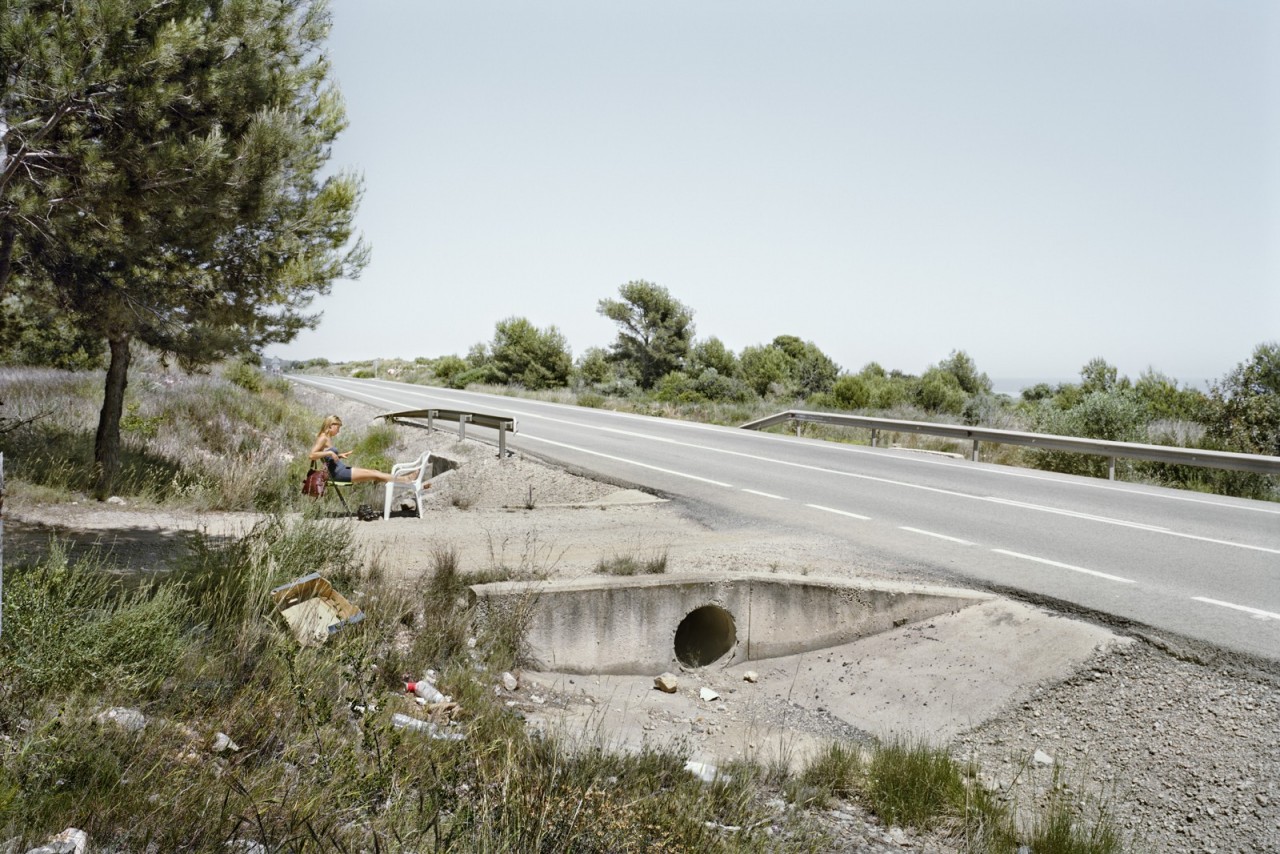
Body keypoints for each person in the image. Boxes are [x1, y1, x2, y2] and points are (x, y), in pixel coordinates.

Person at [310, 415, 418, 484]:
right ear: (330, 426)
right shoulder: (323, 438)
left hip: (340, 469)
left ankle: (403, 479)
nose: (338, 431)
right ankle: (405, 480)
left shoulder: (327, 437)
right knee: (375, 475)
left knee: (375, 473)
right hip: (338, 473)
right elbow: (312, 455)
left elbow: (325, 456)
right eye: (338, 428)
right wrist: (330, 452)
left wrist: (339, 455)